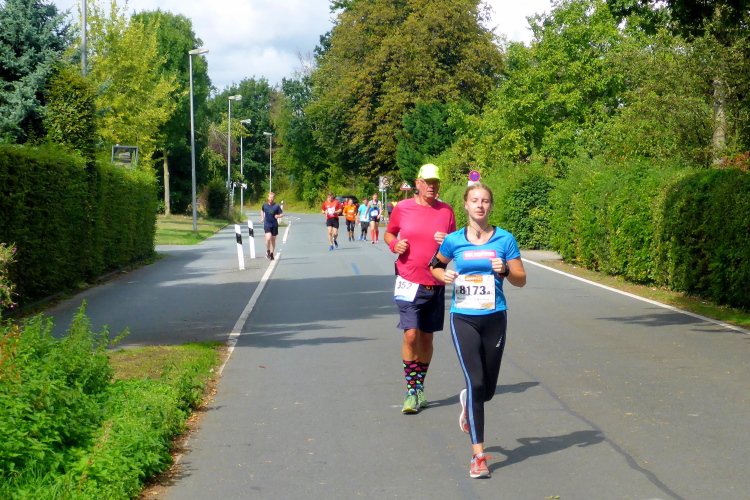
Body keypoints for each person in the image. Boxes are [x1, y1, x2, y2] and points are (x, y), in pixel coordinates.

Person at [429, 182, 527, 479]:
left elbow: (521, 279)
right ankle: (478, 456)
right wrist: (443, 275)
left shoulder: (505, 239)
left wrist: (505, 270)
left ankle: (468, 402)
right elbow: (434, 265)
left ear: (490, 206)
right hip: (463, 318)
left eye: (485, 201)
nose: (480, 205)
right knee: (474, 382)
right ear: (466, 205)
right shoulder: (454, 240)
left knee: (487, 390)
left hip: (495, 317)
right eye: (475, 200)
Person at [384, 164, 456, 413]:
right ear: (418, 183)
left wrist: (448, 241)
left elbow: (456, 245)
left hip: (435, 282)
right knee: (411, 334)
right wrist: (395, 245)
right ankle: (410, 390)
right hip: (408, 280)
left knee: (426, 337)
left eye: (436, 182)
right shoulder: (403, 208)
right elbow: (389, 234)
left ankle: (419, 386)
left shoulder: (446, 210)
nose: (432, 186)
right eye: (428, 182)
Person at [260, 192, 283, 260]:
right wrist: (262, 218)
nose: (271, 199)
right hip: (267, 224)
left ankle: (272, 253)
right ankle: (268, 251)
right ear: (268, 198)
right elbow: (262, 210)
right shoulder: (265, 205)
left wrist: (278, 216)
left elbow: (281, 214)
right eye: (270, 197)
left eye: (272, 197)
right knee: (268, 238)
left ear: (274, 198)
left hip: (274, 224)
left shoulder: (276, 206)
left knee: (273, 239)